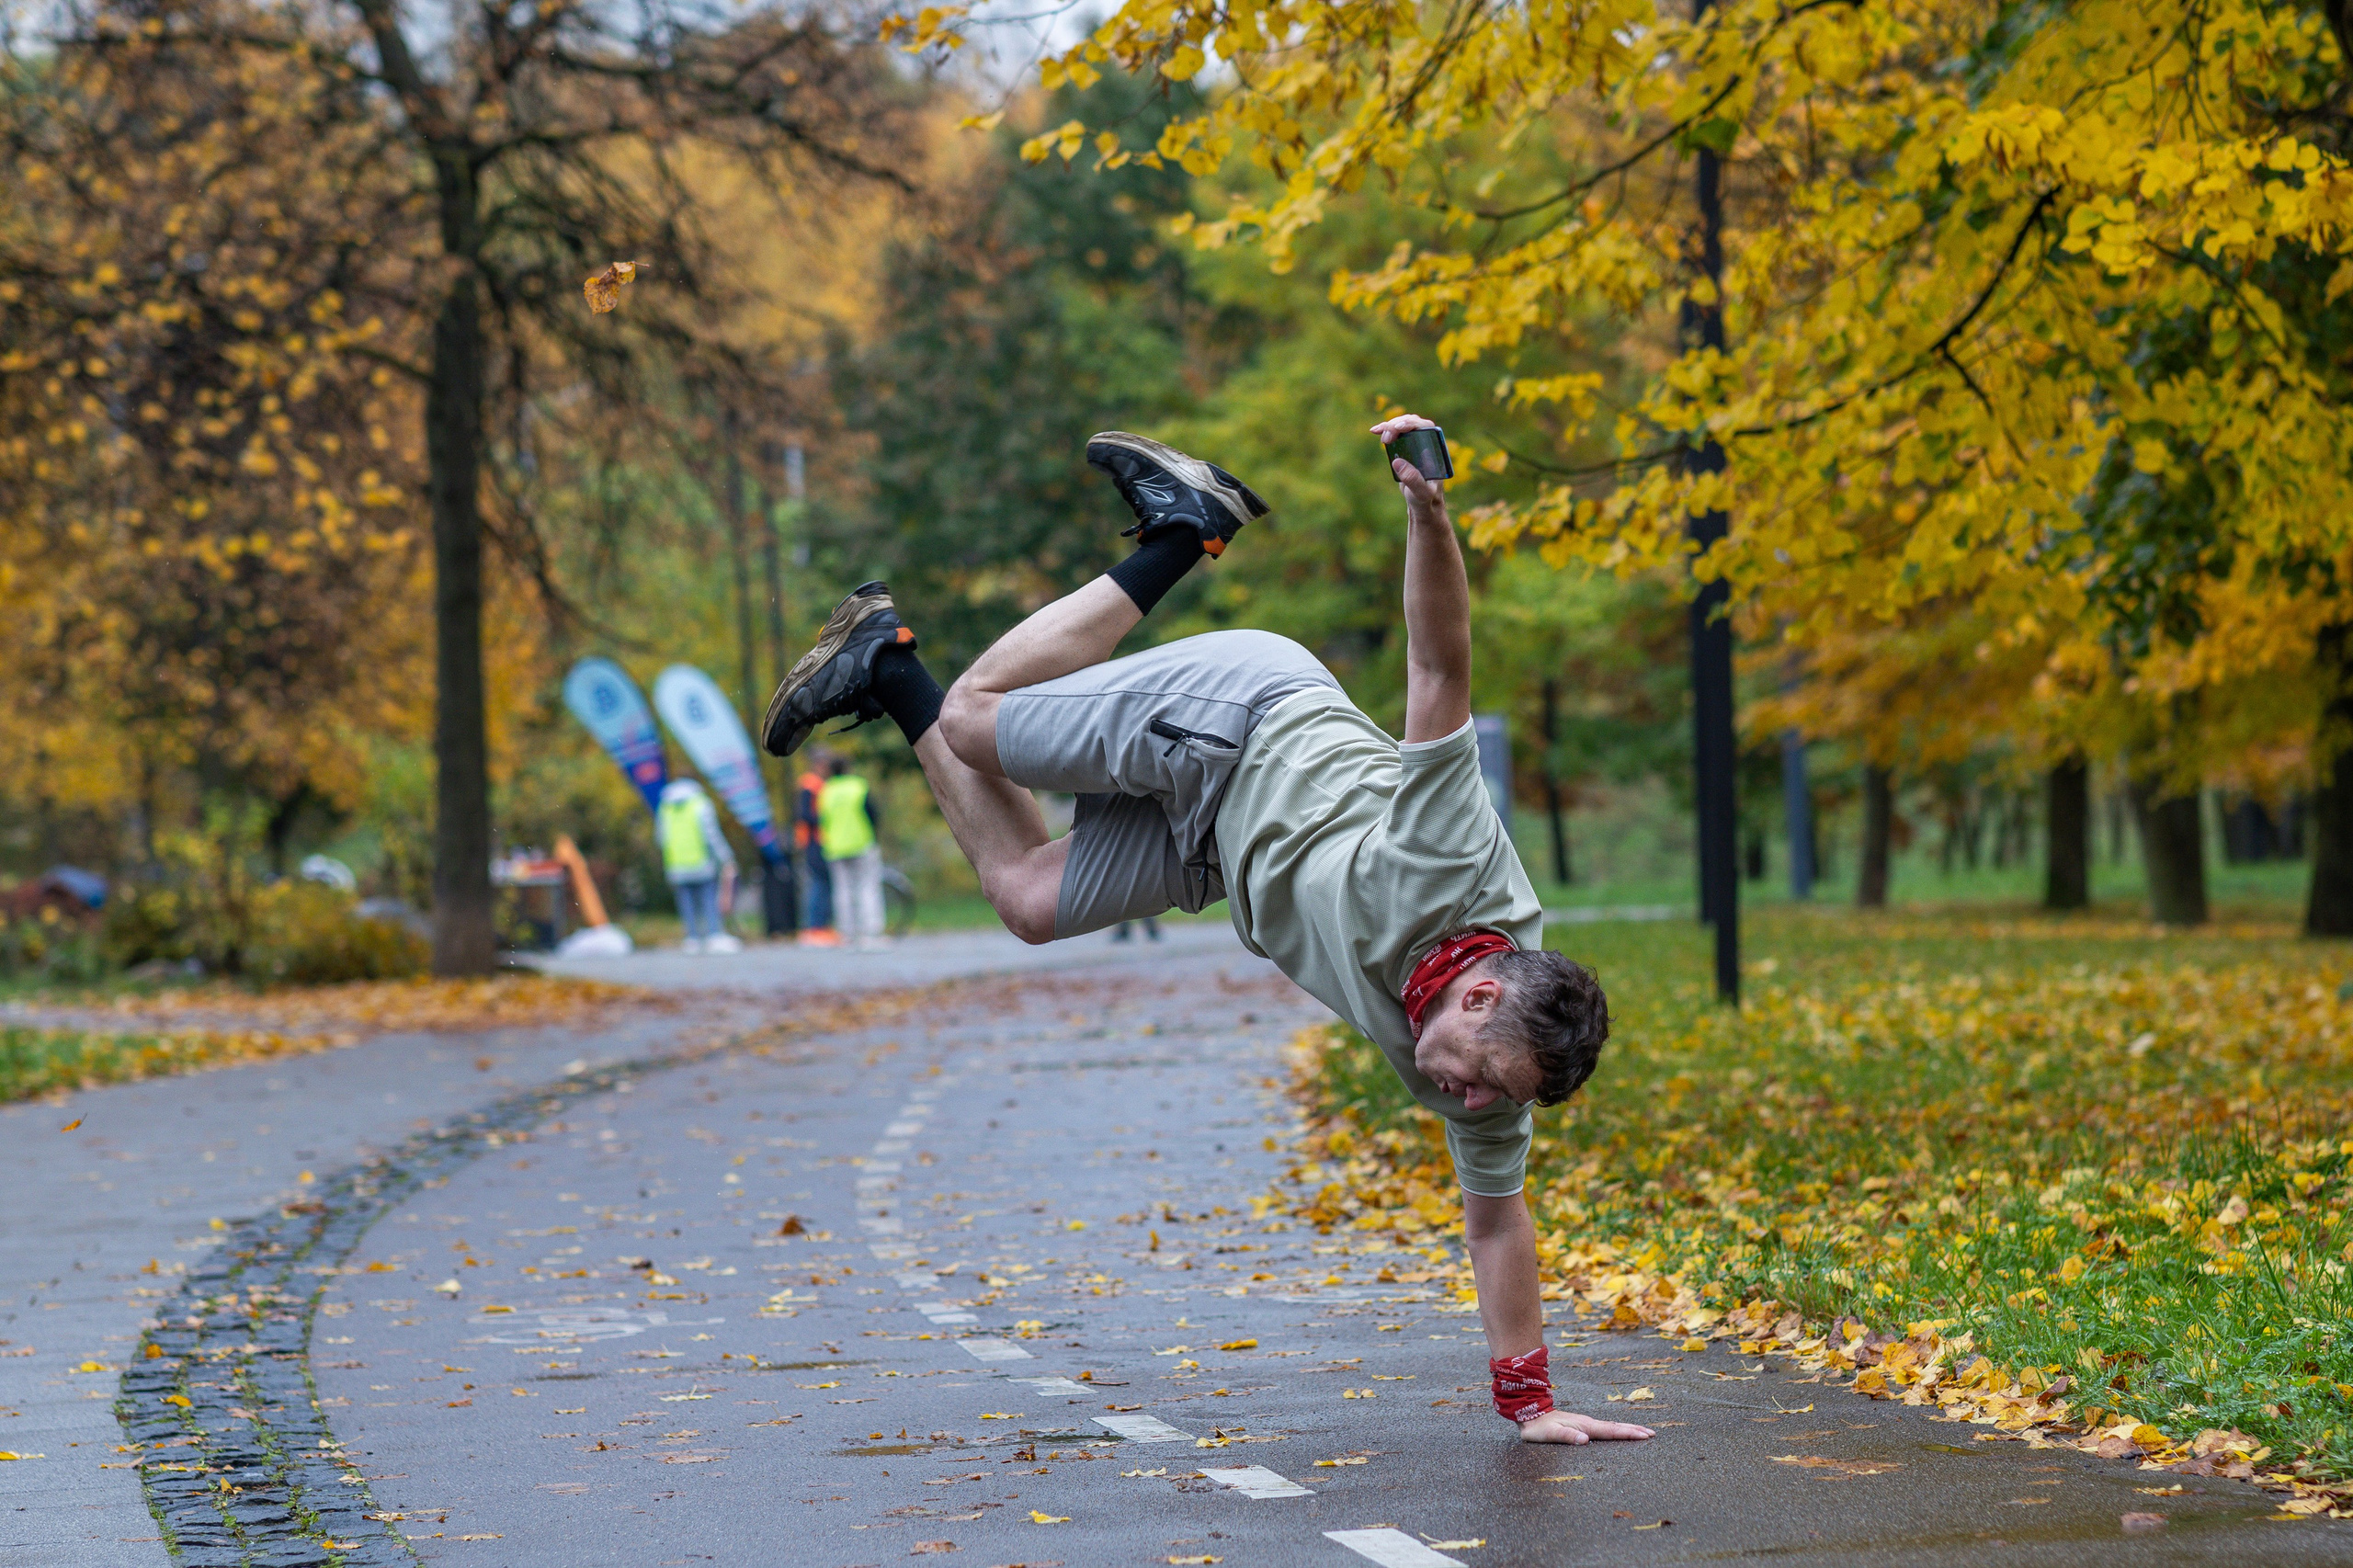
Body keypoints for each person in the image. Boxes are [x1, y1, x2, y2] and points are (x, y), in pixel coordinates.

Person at [759, 416, 1644, 1449]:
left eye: (1493, 1096)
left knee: (1028, 899)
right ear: (1480, 991)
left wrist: (1530, 1404)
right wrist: (1429, 515)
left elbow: (1498, 1223)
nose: (1469, 1097)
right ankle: (1186, 527)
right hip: (1247, 715)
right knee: (977, 718)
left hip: (1223, 844)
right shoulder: (1454, 861)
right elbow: (1439, 671)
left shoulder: (1494, 1070)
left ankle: (884, 660)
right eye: (1480, 1074)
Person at [656, 778, 741, 954]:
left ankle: (692, 938)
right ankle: (713, 934)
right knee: (708, 899)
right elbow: (711, 834)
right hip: (701, 862)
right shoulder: (700, 804)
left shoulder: (666, 807)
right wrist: (725, 857)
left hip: (677, 865)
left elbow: (661, 837)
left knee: (686, 902)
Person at [817, 756, 887, 949]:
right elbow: (872, 814)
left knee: (842, 891)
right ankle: (870, 933)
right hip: (861, 843)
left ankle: (847, 935)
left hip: (836, 847)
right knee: (867, 887)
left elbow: (823, 819)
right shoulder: (858, 786)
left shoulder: (826, 791)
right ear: (848, 767)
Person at [795, 758, 838, 946]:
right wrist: (826, 820)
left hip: (821, 841)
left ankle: (822, 926)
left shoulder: (818, 785)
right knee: (819, 884)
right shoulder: (809, 785)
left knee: (824, 884)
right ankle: (814, 928)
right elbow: (804, 815)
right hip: (814, 841)